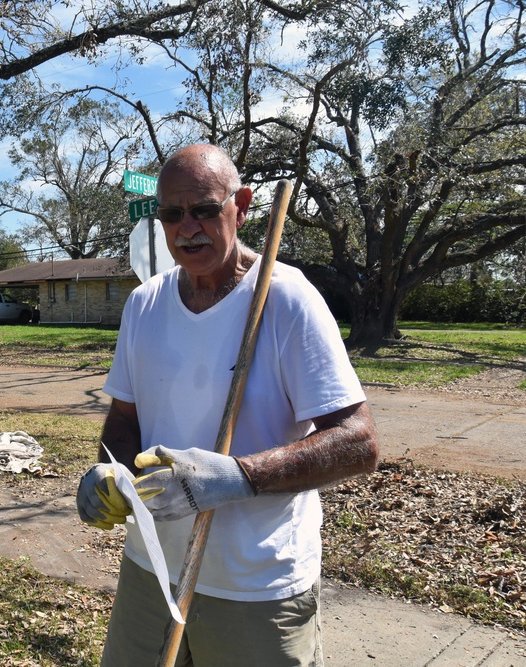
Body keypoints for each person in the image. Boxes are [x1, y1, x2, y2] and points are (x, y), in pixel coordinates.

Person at [76, 144, 380, 667]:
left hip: (255, 585)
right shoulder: (144, 304)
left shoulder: (287, 299)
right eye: (172, 214)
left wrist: (239, 476)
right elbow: (124, 420)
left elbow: (360, 442)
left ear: (241, 205)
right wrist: (111, 472)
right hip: (150, 569)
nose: (187, 227)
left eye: (205, 209)